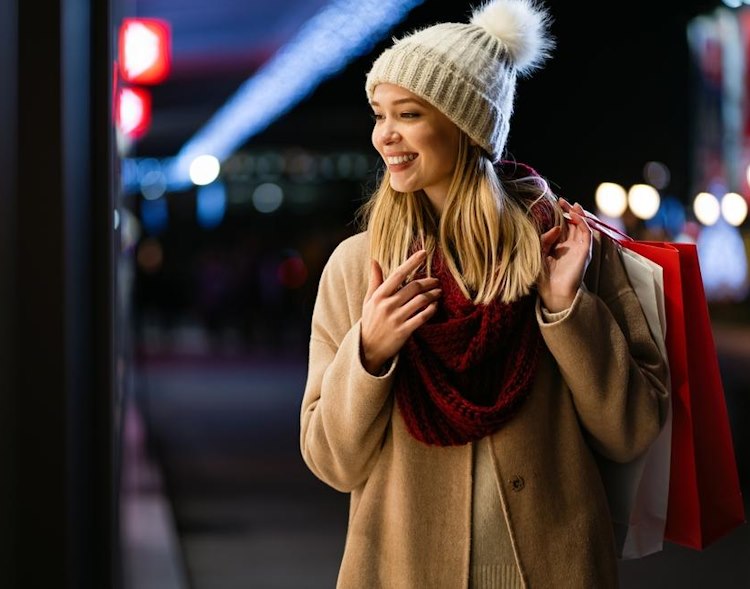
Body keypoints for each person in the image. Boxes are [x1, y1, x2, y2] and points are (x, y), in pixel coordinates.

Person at [299, 0, 669, 587]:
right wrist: (368, 351)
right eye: (379, 114)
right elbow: (331, 461)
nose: (384, 136)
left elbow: (632, 430)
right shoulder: (358, 268)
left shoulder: (565, 249)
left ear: (464, 124)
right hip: (402, 571)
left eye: (408, 114)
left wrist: (566, 311)